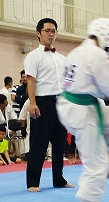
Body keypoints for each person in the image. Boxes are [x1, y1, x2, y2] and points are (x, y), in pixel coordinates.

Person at [56, 17, 109, 202]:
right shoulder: (98, 55)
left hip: (67, 105)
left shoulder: (76, 51)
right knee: (97, 167)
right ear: (108, 38)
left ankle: (101, 154)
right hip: (83, 110)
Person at [24, 18, 74, 192]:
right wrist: (32, 103)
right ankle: (32, 182)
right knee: (39, 143)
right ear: (38, 33)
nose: (51, 34)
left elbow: (67, 83)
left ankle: (58, 179)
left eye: (53, 31)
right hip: (42, 102)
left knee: (60, 144)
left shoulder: (62, 58)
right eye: (47, 31)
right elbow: (31, 80)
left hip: (60, 102)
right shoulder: (33, 56)